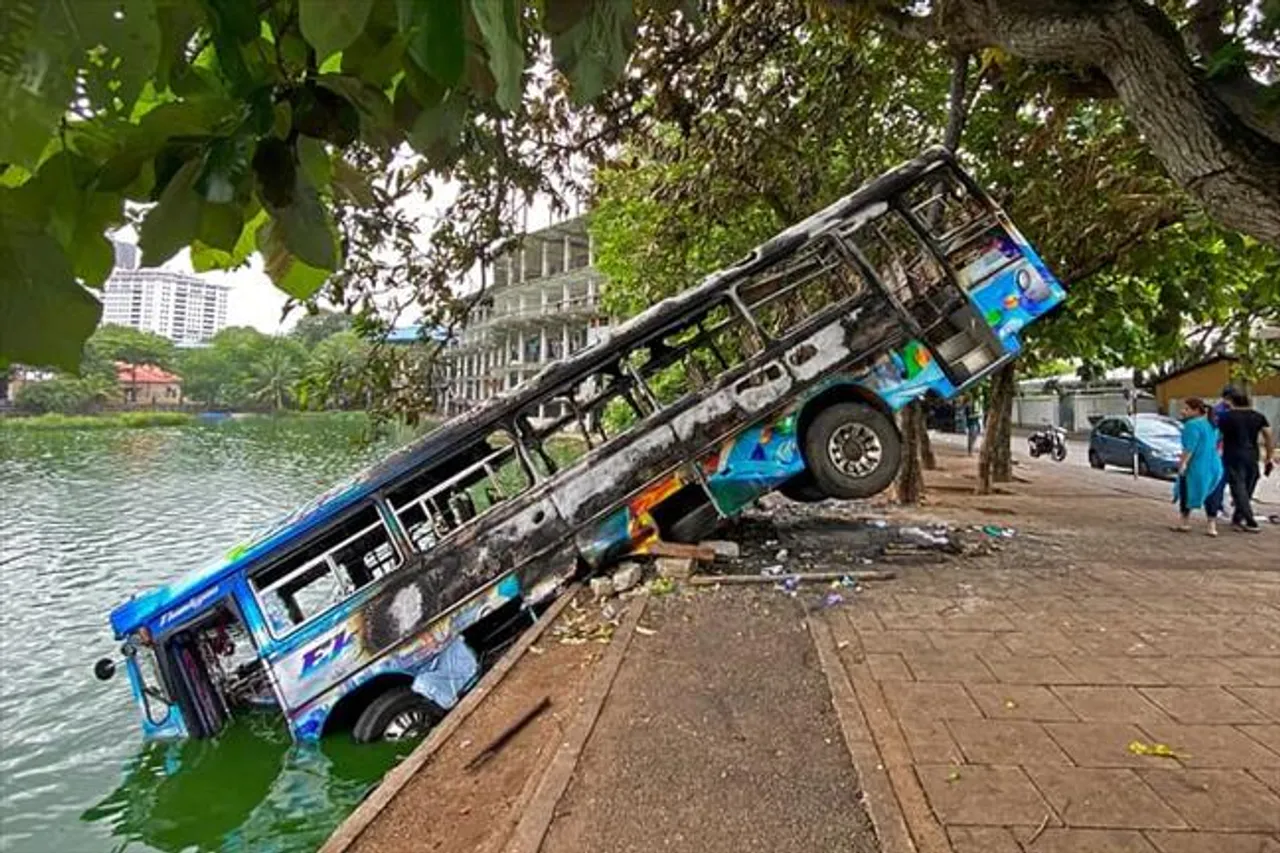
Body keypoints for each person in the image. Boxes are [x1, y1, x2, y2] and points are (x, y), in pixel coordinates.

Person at [1216, 390, 1274, 533]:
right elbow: (1268, 435)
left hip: (1232, 454)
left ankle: (1250, 521)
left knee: (1238, 487)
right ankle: (1237, 519)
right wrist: (1269, 457)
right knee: (1248, 486)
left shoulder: (1225, 417)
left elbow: (1216, 434)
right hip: (1252, 454)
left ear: (1231, 401)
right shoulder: (1258, 417)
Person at [1174, 397, 1224, 536]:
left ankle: (1184, 522)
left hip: (1197, 465)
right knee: (1212, 493)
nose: (1183, 411)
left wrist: (1183, 463)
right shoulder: (1212, 424)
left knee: (1186, 491)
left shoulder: (1192, 425)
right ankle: (1211, 526)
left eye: (1186, 409)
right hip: (1214, 464)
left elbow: (1189, 447)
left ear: (1196, 410)